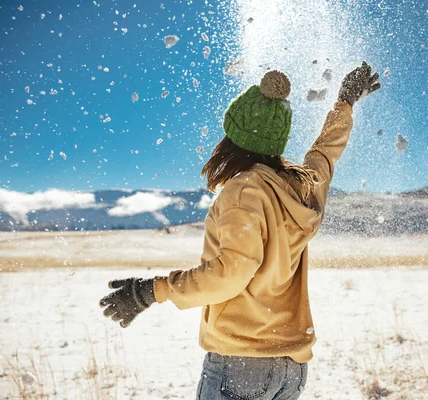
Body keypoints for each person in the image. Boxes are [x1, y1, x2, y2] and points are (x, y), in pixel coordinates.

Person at [99, 61, 381, 399]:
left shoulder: (243, 191)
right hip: (290, 368)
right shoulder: (299, 187)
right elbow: (324, 155)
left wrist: (152, 292)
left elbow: (229, 274)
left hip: (242, 366)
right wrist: (344, 103)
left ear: (235, 137)